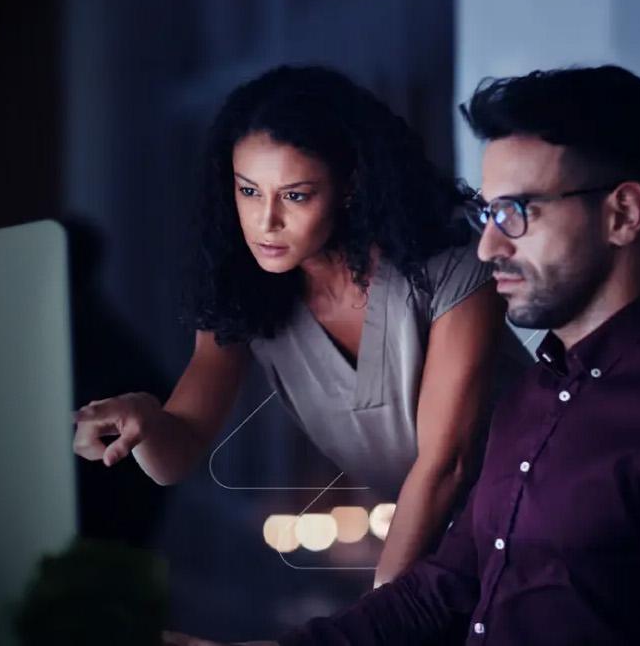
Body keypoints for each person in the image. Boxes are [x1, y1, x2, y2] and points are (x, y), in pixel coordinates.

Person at [170, 65, 640, 645]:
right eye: (488, 213)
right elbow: (443, 588)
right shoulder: (533, 400)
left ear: (622, 214)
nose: (487, 248)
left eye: (518, 212)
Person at [72, 65, 531, 586]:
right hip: (451, 550)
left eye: (295, 195)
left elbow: (446, 466)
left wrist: (380, 615)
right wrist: (147, 422)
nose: (265, 221)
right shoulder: (248, 292)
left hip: (546, 513)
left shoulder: (451, 266)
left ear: (349, 186)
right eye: (249, 191)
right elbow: (178, 451)